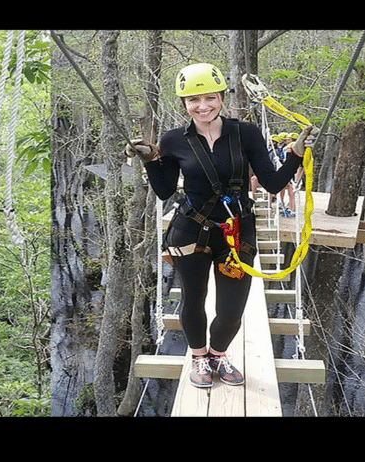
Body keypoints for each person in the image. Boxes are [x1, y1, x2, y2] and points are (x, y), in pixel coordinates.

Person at [129, 63, 313, 388]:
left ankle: (218, 353)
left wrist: (296, 155)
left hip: (237, 232)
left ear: (222, 97)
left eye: (210, 98)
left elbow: (271, 183)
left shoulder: (247, 133)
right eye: (193, 101)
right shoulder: (173, 140)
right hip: (191, 231)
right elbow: (165, 190)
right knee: (193, 298)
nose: (202, 107)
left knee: (231, 310)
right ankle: (199, 357)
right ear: (184, 104)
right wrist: (151, 161)